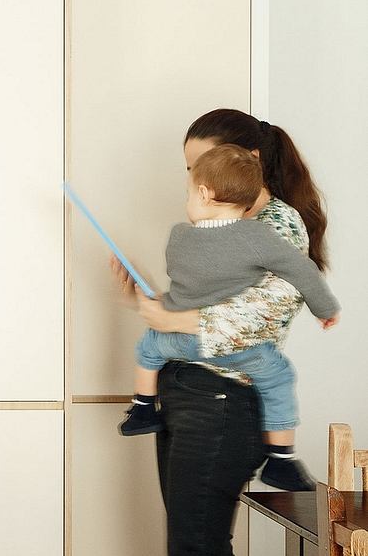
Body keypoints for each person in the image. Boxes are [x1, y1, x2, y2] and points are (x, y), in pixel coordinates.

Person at [115, 107, 331, 556]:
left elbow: (248, 322)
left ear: (241, 165)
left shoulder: (280, 228)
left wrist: (167, 317)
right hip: (194, 397)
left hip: (218, 407)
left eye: (200, 166)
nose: (194, 182)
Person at [119, 142, 340, 493]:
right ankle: (282, 458)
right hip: (235, 353)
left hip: (178, 343)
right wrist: (325, 309)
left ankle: (142, 409)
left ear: (204, 193)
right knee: (279, 376)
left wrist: (153, 305)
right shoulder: (257, 236)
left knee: (147, 349)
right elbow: (302, 271)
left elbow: (187, 290)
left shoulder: (178, 237)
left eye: (189, 189)